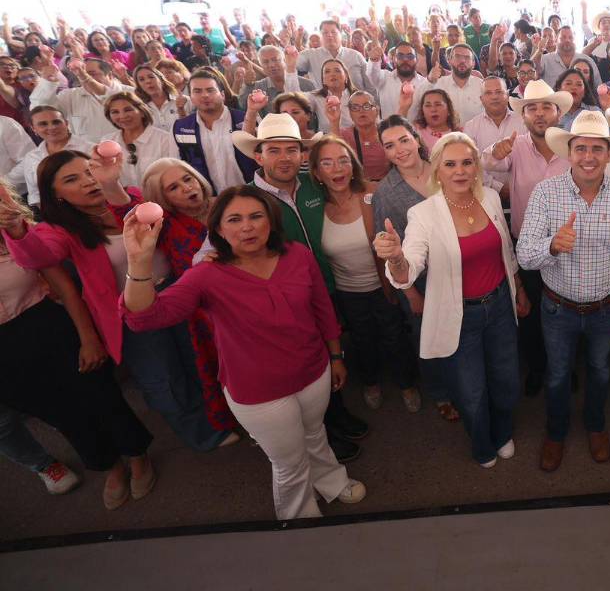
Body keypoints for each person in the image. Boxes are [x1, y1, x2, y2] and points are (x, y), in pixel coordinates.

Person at [121, 185, 366, 520]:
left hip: (313, 372)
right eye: (234, 219)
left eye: (256, 216)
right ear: (218, 229)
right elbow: (144, 317)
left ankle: (331, 482)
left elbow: (322, 308)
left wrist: (336, 356)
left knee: (315, 434)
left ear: (271, 222)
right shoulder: (206, 275)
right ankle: (299, 518)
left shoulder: (297, 255)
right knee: (289, 463)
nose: (247, 226)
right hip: (258, 392)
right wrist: (138, 260)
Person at [5, 150, 230, 453]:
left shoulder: (129, 197)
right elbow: (39, 256)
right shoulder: (59, 230)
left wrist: (113, 186)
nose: (87, 182)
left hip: (179, 293)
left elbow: (147, 214)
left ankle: (222, 416)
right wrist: (17, 229)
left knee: (199, 358)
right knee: (163, 377)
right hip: (131, 311)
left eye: (89, 171)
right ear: (56, 195)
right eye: (73, 179)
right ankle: (203, 434)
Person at [375, 133, 530, 466]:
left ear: (476, 167)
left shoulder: (489, 197)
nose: (459, 171)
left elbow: (506, 250)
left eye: (467, 162)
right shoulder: (423, 214)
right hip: (461, 316)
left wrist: (518, 285)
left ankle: (502, 431)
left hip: (500, 304)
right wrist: (397, 259)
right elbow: (410, 266)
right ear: (438, 171)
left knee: (506, 380)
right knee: (472, 393)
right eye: (450, 164)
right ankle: (482, 444)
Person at [0, 180, 154, 510]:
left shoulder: (17, 233)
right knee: (62, 415)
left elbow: (67, 289)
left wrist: (88, 338)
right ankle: (109, 466)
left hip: (48, 327)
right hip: (6, 356)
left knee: (100, 395)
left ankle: (138, 456)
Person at [516, 111, 610, 472]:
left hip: (607, 308)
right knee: (557, 375)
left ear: (609, 154)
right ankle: (556, 433)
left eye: (597, 149)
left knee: (600, 371)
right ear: (569, 152)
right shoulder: (545, 193)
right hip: (558, 309)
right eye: (581, 148)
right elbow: (524, 256)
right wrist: (553, 247)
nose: (588, 156)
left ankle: (596, 426)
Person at [310, 136, 421, 413]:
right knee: (361, 340)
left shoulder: (373, 193)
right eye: (327, 162)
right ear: (316, 172)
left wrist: (406, 287)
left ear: (353, 165)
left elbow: (401, 237)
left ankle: (406, 383)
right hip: (346, 292)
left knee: (394, 336)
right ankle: (371, 383)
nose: (337, 168)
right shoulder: (313, 208)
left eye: (343, 160)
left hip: (383, 285)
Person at [482, 80, 573, 394]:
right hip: (529, 245)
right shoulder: (515, 145)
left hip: (567, 246)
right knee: (532, 311)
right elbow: (484, 163)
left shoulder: (573, 147)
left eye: (546, 106)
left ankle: (566, 368)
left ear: (557, 112)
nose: (539, 113)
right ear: (524, 115)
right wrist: (495, 150)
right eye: (532, 108)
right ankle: (537, 367)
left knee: (567, 312)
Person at [372, 115, 458, 423]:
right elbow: (387, 247)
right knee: (429, 339)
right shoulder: (386, 192)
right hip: (421, 281)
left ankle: (465, 385)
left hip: (461, 269)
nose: (399, 150)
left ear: (416, 139)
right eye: (389, 145)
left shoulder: (444, 169)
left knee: (463, 333)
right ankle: (440, 393)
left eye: (404, 140)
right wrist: (410, 294)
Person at [174, 70, 256, 193]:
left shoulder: (246, 119)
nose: (205, 95)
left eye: (210, 90)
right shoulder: (180, 127)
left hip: (252, 193)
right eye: (197, 91)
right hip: (210, 202)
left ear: (222, 94)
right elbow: (179, 166)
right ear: (190, 97)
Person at [31, 54, 133, 142]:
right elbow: (40, 109)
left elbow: (109, 95)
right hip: (89, 157)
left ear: (110, 75)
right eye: (79, 73)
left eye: (91, 74)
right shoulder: (70, 96)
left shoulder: (130, 92)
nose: (83, 77)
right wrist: (47, 82)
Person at [7, 105, 93, 206]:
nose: (52, 127)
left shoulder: (90, 149)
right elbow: (34, 194)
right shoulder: (32, 157)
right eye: (43, 124)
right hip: (49, 215)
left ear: (66, 123)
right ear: (33, 129)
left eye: (56, 122)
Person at [462, 76, 526, 197]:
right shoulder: (471, 127)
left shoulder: (523, 122)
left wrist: (518, 185)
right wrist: (497, 187)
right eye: (488, 93)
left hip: (522, 193)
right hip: (485, 195)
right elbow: (470, 164)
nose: (494, 96)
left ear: (507, 95)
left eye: (499, 92)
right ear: (481, 99)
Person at [100, 92, 179, 186]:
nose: (122, 116)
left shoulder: (164, 139)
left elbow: (173, 175)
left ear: (142, 111)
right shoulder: (107, 141)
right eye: (115, 112)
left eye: (128, 110)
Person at [296, 19, 373, 95]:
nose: (329, 35)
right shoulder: (310, 55)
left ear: (340, 34)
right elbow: (292, 67)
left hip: (356, 105)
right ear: (321, 36)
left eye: (333, 32)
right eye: (325, 33)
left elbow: (370, 85)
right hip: (323, 104)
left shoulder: (355, 56)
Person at [367, 41, 430, 119]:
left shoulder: (424, 83)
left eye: (410, 56)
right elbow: (372, 74)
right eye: (400, 56)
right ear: (394, 59)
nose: (405, 59)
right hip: (388, 130)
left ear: (416, 60)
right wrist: (374, 60)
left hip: (416, 131)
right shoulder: (384, 78)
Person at [239, 45, 315, 107]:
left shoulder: (306, 84)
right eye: (265, 62)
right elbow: (243, 105)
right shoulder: (258, 88)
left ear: (284, 60)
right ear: (261, 65)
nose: (271, 65)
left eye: (275, 60)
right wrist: (248, 85)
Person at [339, 90, 388, 184]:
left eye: (366, 106)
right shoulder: (343, 135)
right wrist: (334, 122)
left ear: (377, 110)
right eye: (355, 107)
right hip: (358, 187)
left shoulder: (387, 132)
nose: (361, 111)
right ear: (350, 113)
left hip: (388, 185)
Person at [435, 44, 486, 123]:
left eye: (467, 57)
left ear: (473, 63)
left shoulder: (482, 87)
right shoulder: (438, 86)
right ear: (449, 60)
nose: (462, 61)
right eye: (457, 56)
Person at [132, 61, 187, 131]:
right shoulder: (139, 108)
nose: (147, 81)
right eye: (141, 79)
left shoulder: (184, 100)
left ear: (161, 79)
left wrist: (181, 110)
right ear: (139, 85)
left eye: (151, 77)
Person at [412, 88, 460, 153]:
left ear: (449, 109)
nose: (433, 109)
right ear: (422, 111)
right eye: (428, 105)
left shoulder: (458, 136)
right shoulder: (415, 131)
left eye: (438, 104)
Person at [553, 67, 600, 131]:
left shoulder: (594, 112)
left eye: (579, 84)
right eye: (568, 83)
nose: (574, 87)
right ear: (559, 88)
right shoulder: (552, 112)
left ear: (584, 92)